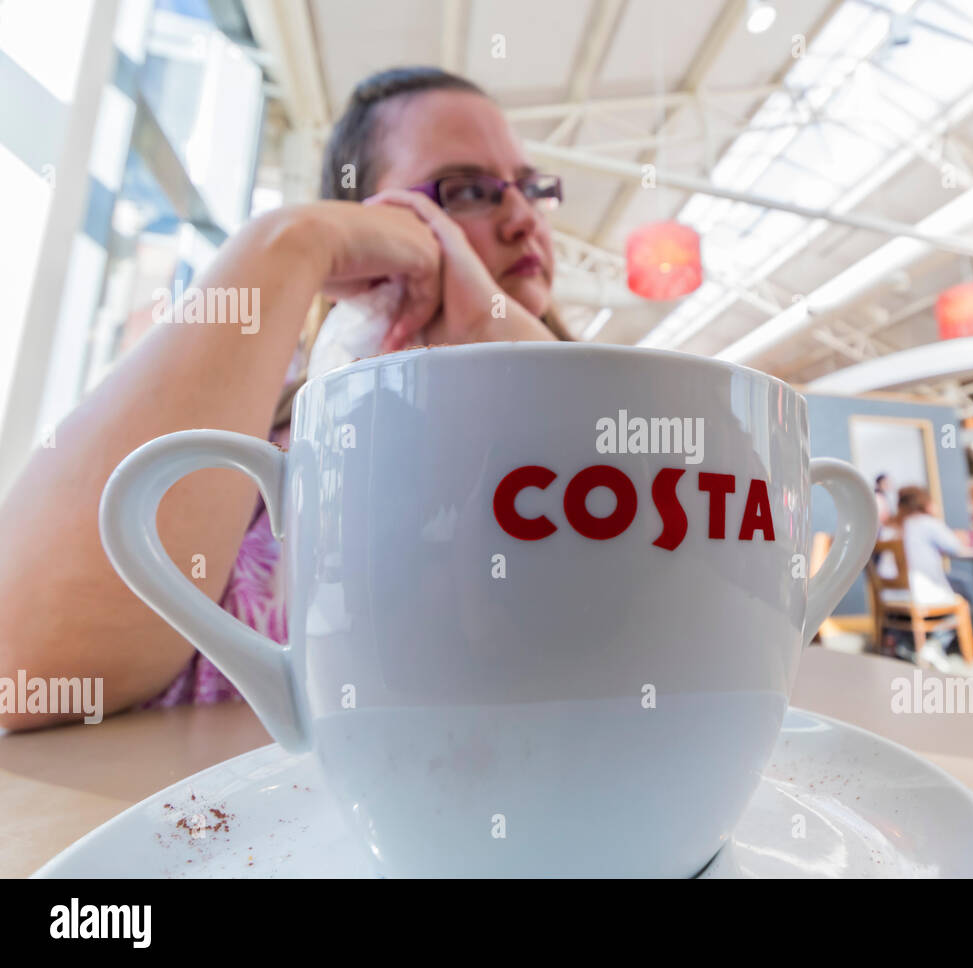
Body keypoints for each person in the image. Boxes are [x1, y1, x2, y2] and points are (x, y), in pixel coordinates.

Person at [0, 67, 572, 729]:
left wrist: (492, 330)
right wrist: (292, 243)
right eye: (469, 190)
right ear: (371, 223)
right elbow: (24, 665)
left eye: (530, 187)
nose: (522, 217)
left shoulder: (648, 409)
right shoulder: (259, 427)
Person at [875, 486, 973, 664]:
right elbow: (955, 547)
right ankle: (939, 643)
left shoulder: (889, 526)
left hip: (889, 595)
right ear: (925, 503)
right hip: (919, 593)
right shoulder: (927, 523)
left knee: (957, 582)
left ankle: (911, 643)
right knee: (962, 591)